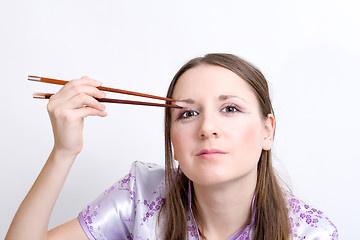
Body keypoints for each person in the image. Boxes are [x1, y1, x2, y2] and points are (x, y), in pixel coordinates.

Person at [6, 54, 338, 240]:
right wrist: (63, 152)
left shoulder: (312, 233)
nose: (207, 128)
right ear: (173, 143)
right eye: (188, 113)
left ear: (268, 131)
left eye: (231, 109)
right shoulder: (140, 197)